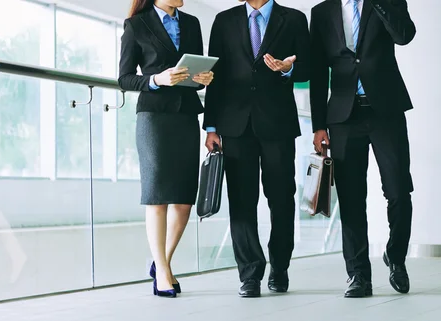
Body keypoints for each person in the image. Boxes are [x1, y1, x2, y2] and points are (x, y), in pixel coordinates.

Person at [309, 0, 416, 298]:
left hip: (386, 111)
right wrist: (319, 125)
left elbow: (404, 35)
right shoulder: (321, 12)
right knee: (352, 198)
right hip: (343, 117)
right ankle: (358, 275)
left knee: (398, 190)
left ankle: (396, 258)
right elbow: (318, 72)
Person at [204, 0, 310, 298]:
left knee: (281, 198)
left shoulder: (294, 19)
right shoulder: (224, 21)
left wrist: (290, 68)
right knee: (241, 201)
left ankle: (279, 266)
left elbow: (307, 68)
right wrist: (211, 126)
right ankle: (249, 273)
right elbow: (215, 76)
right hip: (234, 125)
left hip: (277, 123)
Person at [118, 0, 214, 298]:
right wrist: (156, 80)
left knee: (184, 200)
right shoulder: (136, 25)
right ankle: (162, 271)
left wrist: (205, 79)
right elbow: (124, 78)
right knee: (157, 196)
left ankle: (162, 261)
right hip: (154, 118)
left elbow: (196, 76)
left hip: (185, 116)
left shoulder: (192, 23)